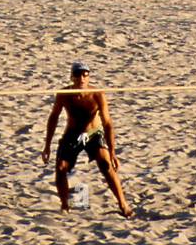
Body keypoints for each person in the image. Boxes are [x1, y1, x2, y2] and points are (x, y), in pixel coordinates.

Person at [42, 62, 134, 218]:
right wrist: (47, 146)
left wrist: (112, 152)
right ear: (72, 77)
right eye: (78, 75)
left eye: (85, 75)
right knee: (61, 167)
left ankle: (123, 204)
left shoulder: (97, 94)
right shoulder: (64, 94)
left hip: (93, 133)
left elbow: (107, 123)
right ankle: (65, 205)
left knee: (106, 164)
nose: (82, 78)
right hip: (72, 134)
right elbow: (53, 118)